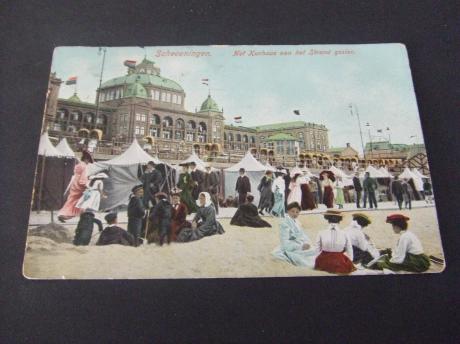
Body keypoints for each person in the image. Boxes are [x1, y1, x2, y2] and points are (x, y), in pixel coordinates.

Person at [272, 202, 317, 267]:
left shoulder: (297, 222)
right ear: (288, 211)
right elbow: (285, 242)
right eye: (292, 211)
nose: (295, 214)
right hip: (291, 247)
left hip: (299, 243)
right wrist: (300, 246)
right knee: (306, 259)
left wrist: (307, 243)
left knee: (315, 251)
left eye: (297, 212)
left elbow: (303, 235)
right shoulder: (284, 223)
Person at [314, 209, 356, 274]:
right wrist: (350, 261)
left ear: (327, 219)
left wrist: (317, 260)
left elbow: (317, 249)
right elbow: (349, 248)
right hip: (339, 261)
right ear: (340, 219)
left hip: (323, 260)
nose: (334, 219)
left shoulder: (321, 232)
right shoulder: (345, 233)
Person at [58, 150, 93, 222]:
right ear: (86, 159)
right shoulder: (84, 167)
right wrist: (87, 186)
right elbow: (83, 179)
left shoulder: (78, 165)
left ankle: (63, 213)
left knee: (71, 200)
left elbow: (76, 174)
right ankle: (69, 214)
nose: (88, 162)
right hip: (80, 185)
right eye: (88, 160)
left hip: (74, 183)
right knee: (78, 202)